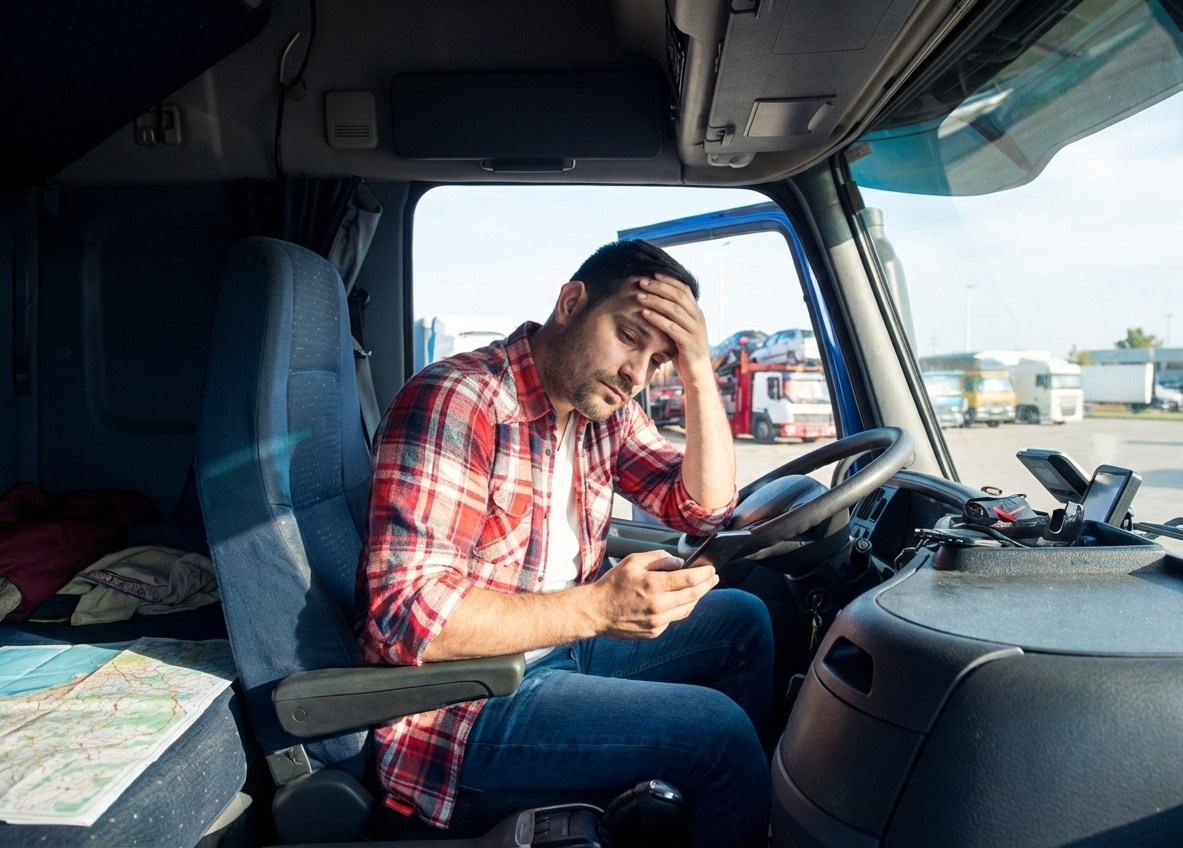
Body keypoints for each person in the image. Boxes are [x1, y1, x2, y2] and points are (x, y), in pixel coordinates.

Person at [356, 240, 774, 847]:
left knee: (744, 621)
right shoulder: (459, 401)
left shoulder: (603, 408)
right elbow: (405, 616)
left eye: (658, 360)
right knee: (719, 735)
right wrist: (600, 608)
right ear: (571, 303)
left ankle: (708, 818)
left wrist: (699, 372)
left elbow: (702, 510)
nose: (637, 375)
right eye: (630, 337)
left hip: (563, 647)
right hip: (468, 701)